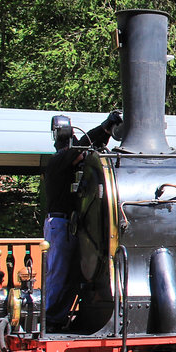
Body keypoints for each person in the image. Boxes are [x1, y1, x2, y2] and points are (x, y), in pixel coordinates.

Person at [43, 110, 121, 330]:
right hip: (61, 223)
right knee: (60, 272)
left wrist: (104, 133)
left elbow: (84, 148)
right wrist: (105, 127)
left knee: (71, 272)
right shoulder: (59, 160)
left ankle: (58, 317)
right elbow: (82, 149)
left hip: (67, 224)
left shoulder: (63, 160)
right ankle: (50, 319)